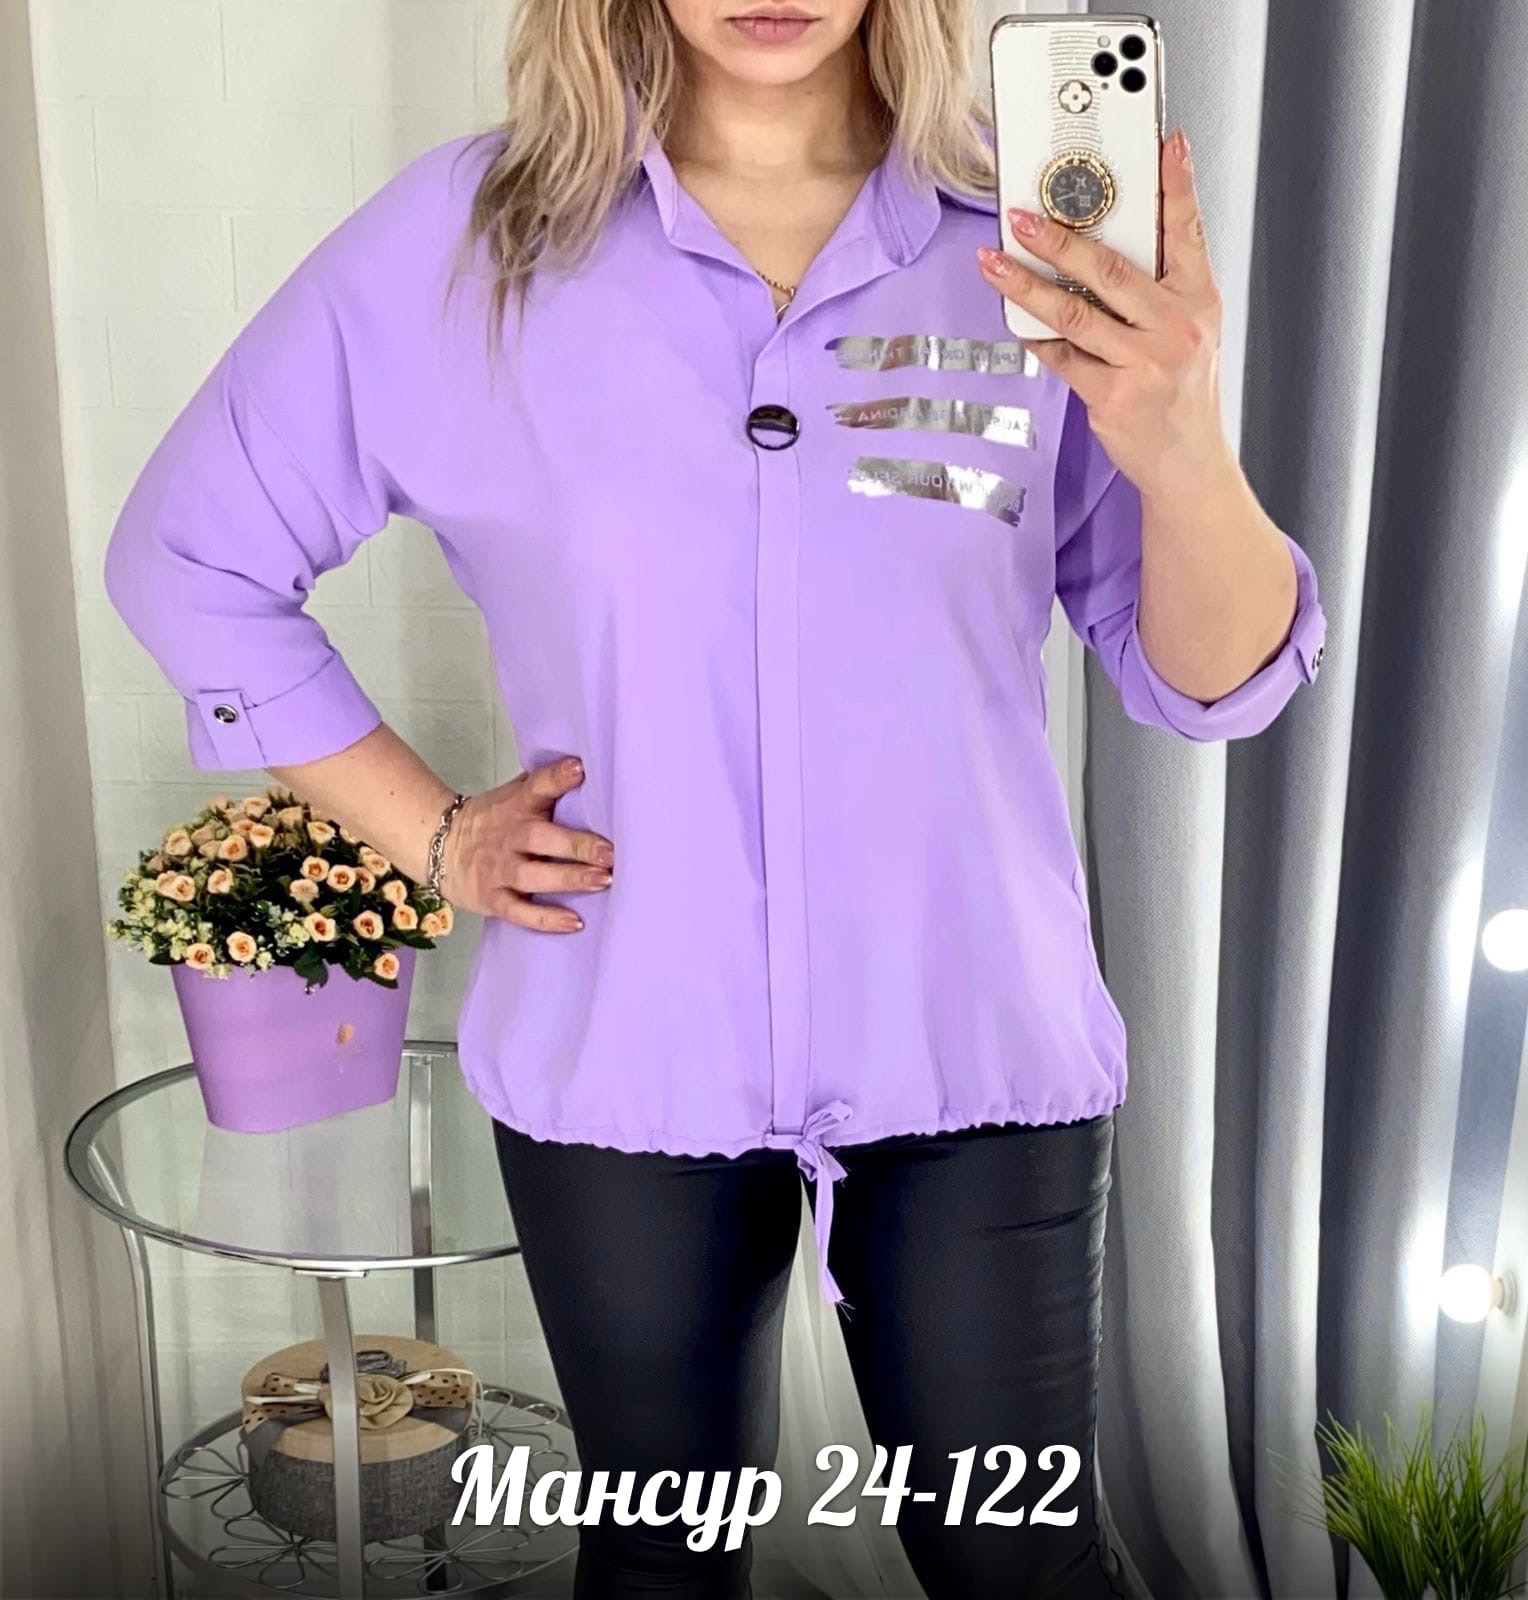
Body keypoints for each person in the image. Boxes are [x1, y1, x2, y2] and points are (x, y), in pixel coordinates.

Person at [104, 0, 1326, 1594]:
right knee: (664, 1563)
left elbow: (1211, 683)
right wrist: (437, 836)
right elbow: (189, 558)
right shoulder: (467, 247)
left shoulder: (1027, 239)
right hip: (630, 1045)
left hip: (970, 1035)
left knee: (1021, 1569)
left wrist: (1185, 444)